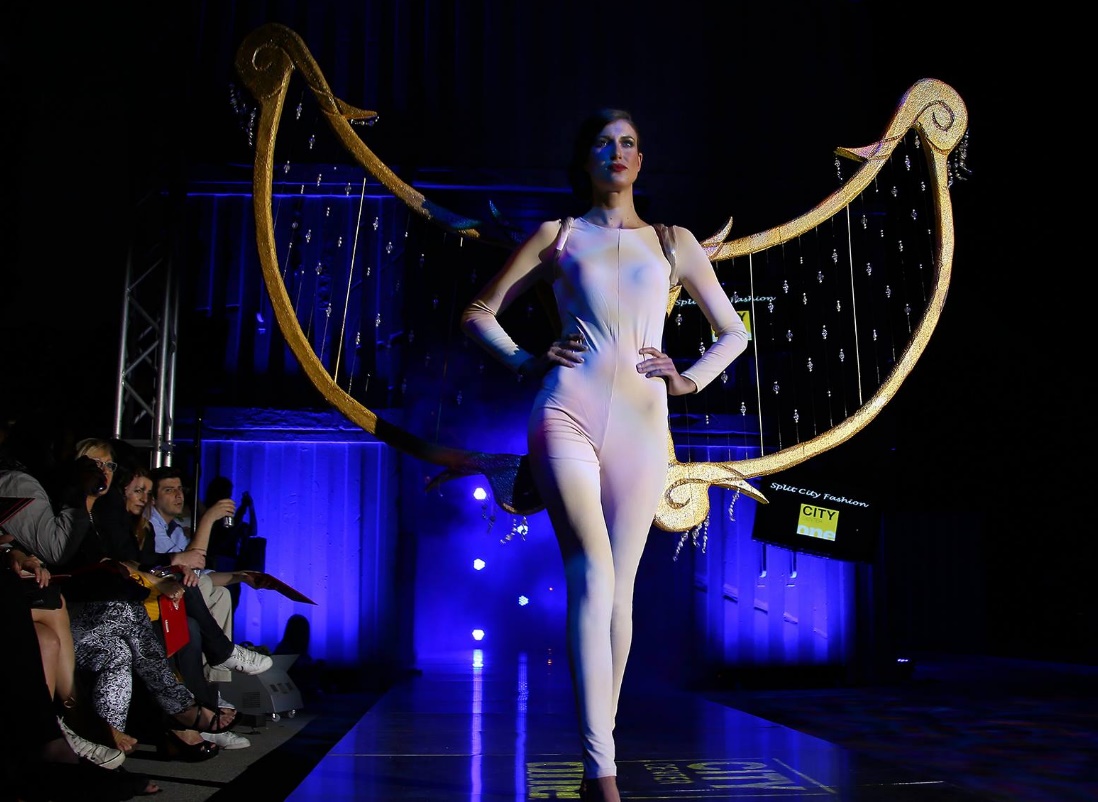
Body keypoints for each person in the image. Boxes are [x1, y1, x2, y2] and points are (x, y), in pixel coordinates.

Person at [461, 108, 749, 802]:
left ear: (640, 161)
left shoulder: (675, 242)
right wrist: (525, 359)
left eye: (628, 144)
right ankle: (602, 772)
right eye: (603, 143)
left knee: (620, 589)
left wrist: (688, 379)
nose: (616, 153)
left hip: (645, 426)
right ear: (585, 160)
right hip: (566, 410)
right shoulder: (558, 236)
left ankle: (600, 755)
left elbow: (734, 333)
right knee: (591, 572)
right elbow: (478, 312)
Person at [147, 465, 270, 682]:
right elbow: (191, 566)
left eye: (179, 489)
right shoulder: (150, 525)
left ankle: (214, 681)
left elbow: (199, 570)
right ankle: (222, 653)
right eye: (169, 490)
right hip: (157, 593)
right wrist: (209, 518)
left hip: (181, 589)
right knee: (201, 583)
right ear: (153, 499)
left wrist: (241, 577)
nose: (178, 495)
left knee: (222, 593)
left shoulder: (175, 529)